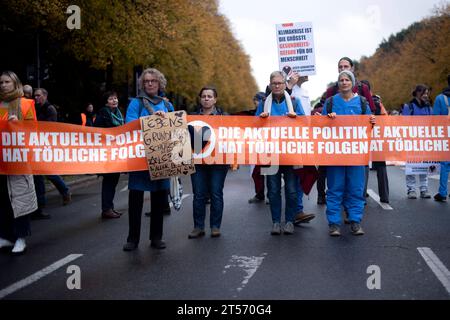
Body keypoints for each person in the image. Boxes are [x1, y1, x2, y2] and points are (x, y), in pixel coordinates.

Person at [122, 68, 172, 251]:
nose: (149, 84)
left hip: (161, 157)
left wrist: (165, 121)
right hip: (140, 158)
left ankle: (156, 237)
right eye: (146, 81)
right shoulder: (136, 103)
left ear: (160, 84)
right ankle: (132, 239)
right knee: (135, 199)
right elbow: (130, 125)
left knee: (159, 200)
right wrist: (153, 120)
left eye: (153, 81)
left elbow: (176, 129)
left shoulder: (167, 106)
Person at [322, 70, 376, 237]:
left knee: (356, 189)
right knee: (334, 189)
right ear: (338, 83)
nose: (344, 82)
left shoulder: (362, 103)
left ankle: (355, 221)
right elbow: (321, 127)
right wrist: (327, 120)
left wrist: (372, 122)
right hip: (335, 155)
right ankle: (334, 224)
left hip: (356, 155)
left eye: (347, 80)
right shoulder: (330, 103)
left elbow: (369, 127)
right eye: (341, 79)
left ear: (352, 83)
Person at [256, 71, 305, 235]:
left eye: (280, 83)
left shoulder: (295, 102)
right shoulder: (263, 104)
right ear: (270, 85)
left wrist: (295, 118)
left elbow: (305, 124)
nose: (277, 86)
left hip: (290, 153)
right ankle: (276, 222)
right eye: (274, 83)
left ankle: (290, 221)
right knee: (273, 190)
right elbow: (253, 127)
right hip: (270, 154)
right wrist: (260, 120)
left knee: (291, 190)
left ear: (285, 84)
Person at [0, 71, 38, 254]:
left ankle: (21, 237)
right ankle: (6, 237)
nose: (3, 85)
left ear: (15, 83)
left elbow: (33, 131)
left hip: (19, 160)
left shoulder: (25, 104)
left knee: (20, 200)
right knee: (4, 201)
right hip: (2, 162)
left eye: (7, 82)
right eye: (1, 82)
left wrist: (19, 125)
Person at [187, 86, 229, 239]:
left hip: (218, 162)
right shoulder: (190, 118)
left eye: (209, 96)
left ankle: (215, 226)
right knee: (199, 195)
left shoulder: (225, 117)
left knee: (216, 193)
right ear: (200, 99)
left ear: (215, 99)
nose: (206, 98)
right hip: (198, 162)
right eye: (203, 96)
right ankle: (198, 227)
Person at [32, 88, 71, 219]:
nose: (36, 98)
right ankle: (39, 206)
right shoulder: (35, 108)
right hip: (35, 145)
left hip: (46, 146)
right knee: (39, 175)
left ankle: (64, 191)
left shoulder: (50, 109)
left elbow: (50, 128)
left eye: (38, 95)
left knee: (48, 173)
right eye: (35, 95)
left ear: (45, 96)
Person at [94, 91, 124, 218]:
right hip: (107, 154)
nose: (115, 101)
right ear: (106, 102)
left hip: (116, 153)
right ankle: (106, 209)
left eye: (116, 98)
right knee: (109, 181)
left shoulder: (118, 114)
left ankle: (110, 207)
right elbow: (97, 131)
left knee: (113, 181)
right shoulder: (103, 113)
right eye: (111, 99)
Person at [360, 80, 390, 203]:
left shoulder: (358, 102)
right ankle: (384, 196)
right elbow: (386, 120)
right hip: (378, 140)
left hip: (364, 139)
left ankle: (361, 195)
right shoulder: (378, 103)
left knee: (363, 166)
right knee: (381, 168)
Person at [402, 84, 433, 199]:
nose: (426, 96)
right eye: (424, 93)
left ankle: (424, 189)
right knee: (411, 165)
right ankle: (411, 189)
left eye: (427, 93)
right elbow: (404, 124)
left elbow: (433, 124)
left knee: (424, 165)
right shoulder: (408, 107)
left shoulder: (429, 108)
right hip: (412, 141)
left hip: (425, 142)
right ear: (417, 93)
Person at [248, 92, 268, 204]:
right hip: (256, 146)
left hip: (267, 145)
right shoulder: (254, 112)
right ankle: (260, 194)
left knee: (269, 172)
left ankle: (269, 195)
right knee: (257, 173)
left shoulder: (267, 110)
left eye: (255, 100)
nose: (255, 103)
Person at [433, 74, 450, 202]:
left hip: (445, 135)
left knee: (445, 164)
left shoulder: (440, 98)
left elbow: (435, 120)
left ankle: (443, 192)